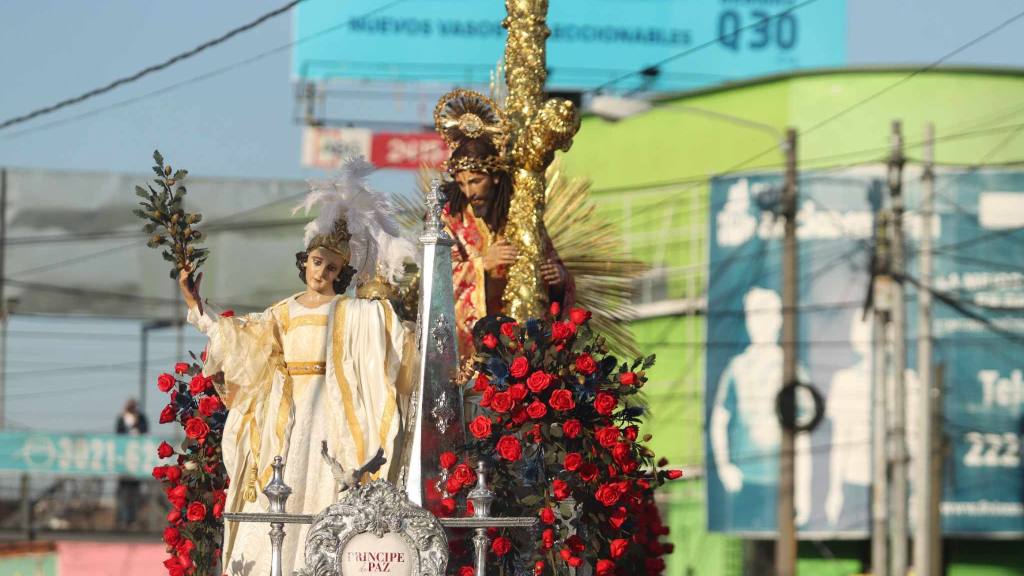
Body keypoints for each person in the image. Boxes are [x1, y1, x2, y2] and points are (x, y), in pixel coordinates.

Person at [179, 159, 416, 576]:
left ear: (341, 274)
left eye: (332, 268)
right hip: (285, 418)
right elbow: (243, 338)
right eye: (317, 262)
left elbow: (392, 338)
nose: (322, 272)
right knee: (276, 494)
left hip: (332, 415)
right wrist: (199, 308)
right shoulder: (282, 313)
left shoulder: (354, 311)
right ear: (305, 261)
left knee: (325, 491)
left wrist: (403, 324)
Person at [434, 89, 574, 360]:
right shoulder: (450, 219)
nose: (469, 191)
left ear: (495, 178)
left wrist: (558, 279)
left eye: (476, 181)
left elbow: (552, 266)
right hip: (473, 342)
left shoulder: (519, 216)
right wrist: (481, 264)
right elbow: (437, 280)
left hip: (520, 333)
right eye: (462, 183)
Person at [709, 287, 812, 529]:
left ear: (778, 320)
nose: (760, 323)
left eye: (766, 315)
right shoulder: (738, 367)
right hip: (744, 482)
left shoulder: (791, 368)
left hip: (784, 481)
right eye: (754, 315)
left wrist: (804, 491)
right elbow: (718, 420)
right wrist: (725, 468)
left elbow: (804, 432)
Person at [115, 398, 148, 528]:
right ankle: (123, 519)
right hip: (124, 461)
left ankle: (133, 519)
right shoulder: (121, 418)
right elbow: (118, 433)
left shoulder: (141, 418)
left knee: (134, 493)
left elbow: (145, 429)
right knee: (123, 493)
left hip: (136, 460)